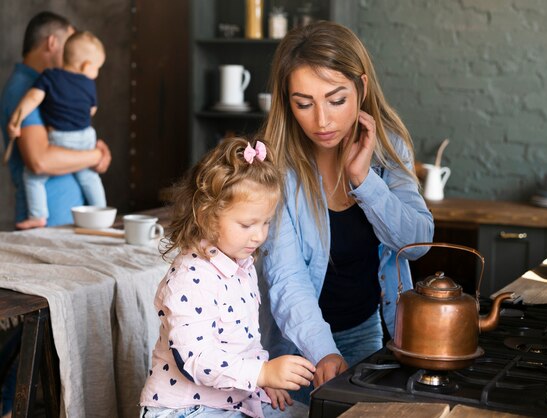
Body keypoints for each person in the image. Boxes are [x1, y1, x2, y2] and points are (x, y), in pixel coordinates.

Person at [258, 21, 435, 400]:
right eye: (303, 103)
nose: (321, 121)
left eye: (336, 100)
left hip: (367, 330)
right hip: (296, 344)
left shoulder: (388, 150)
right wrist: (323, 350)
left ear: (362, 88)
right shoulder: (275, 166)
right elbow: (287, 276)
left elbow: (417, 243)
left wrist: (364, 181)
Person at [139, 137, 315, 418]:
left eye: (266, 222)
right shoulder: (190, 278)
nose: (259, 235)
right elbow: (197, 360)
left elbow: (243, 341)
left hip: (234, 400)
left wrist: (262, 382)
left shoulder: (242, 264)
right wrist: (261, 373)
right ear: (207, 216)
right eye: (247, 224)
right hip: (185, 410)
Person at [0, 11, 111, 229]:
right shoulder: (25, 89)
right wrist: (94, 154)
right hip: (51, 226)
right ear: (52, 43)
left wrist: (93, 152)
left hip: (69, 223)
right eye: (70, 42)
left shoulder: (60, 85)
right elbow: (40, 161)